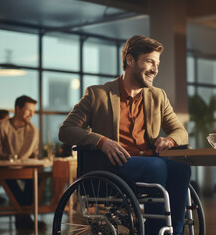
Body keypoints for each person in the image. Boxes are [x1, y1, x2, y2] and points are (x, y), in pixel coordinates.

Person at [59, 35, 190, 235]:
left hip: (150, 162)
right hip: (113, 165)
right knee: (157, 166)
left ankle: (176, 232)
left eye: (157, 63)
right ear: (130, 61)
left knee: (181, 168)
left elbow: (180, 131)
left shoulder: (158, 96)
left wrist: (170, 139)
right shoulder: (97, 95)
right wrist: (101, 141)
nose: (155, 69)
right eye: (149, 61)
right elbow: (66, 130)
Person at [0, 95, 45, 230]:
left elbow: (34, 155)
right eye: (28, 110)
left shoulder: (33, 130)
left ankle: (22, 218)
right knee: (11, 180)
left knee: (38, 177)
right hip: (4, 169)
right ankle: (25, 218)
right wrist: (12, 159)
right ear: (18, 109)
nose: (32, 114)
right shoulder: (0, 127)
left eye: (33, 111)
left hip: (25, 169)